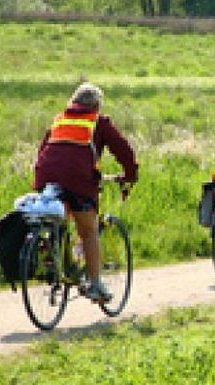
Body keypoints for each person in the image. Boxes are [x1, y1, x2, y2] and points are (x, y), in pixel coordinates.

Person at [33, 82, 138, 303]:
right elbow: (123, 150)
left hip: (47, 177)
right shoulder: (98, 122)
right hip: (78, 180)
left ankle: (56, 256)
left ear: (73, 102)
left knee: (60, 220)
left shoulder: (59, 120)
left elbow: (43, 151)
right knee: (89, 231)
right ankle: (96, 285)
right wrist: (130, 175)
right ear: (97, 105)